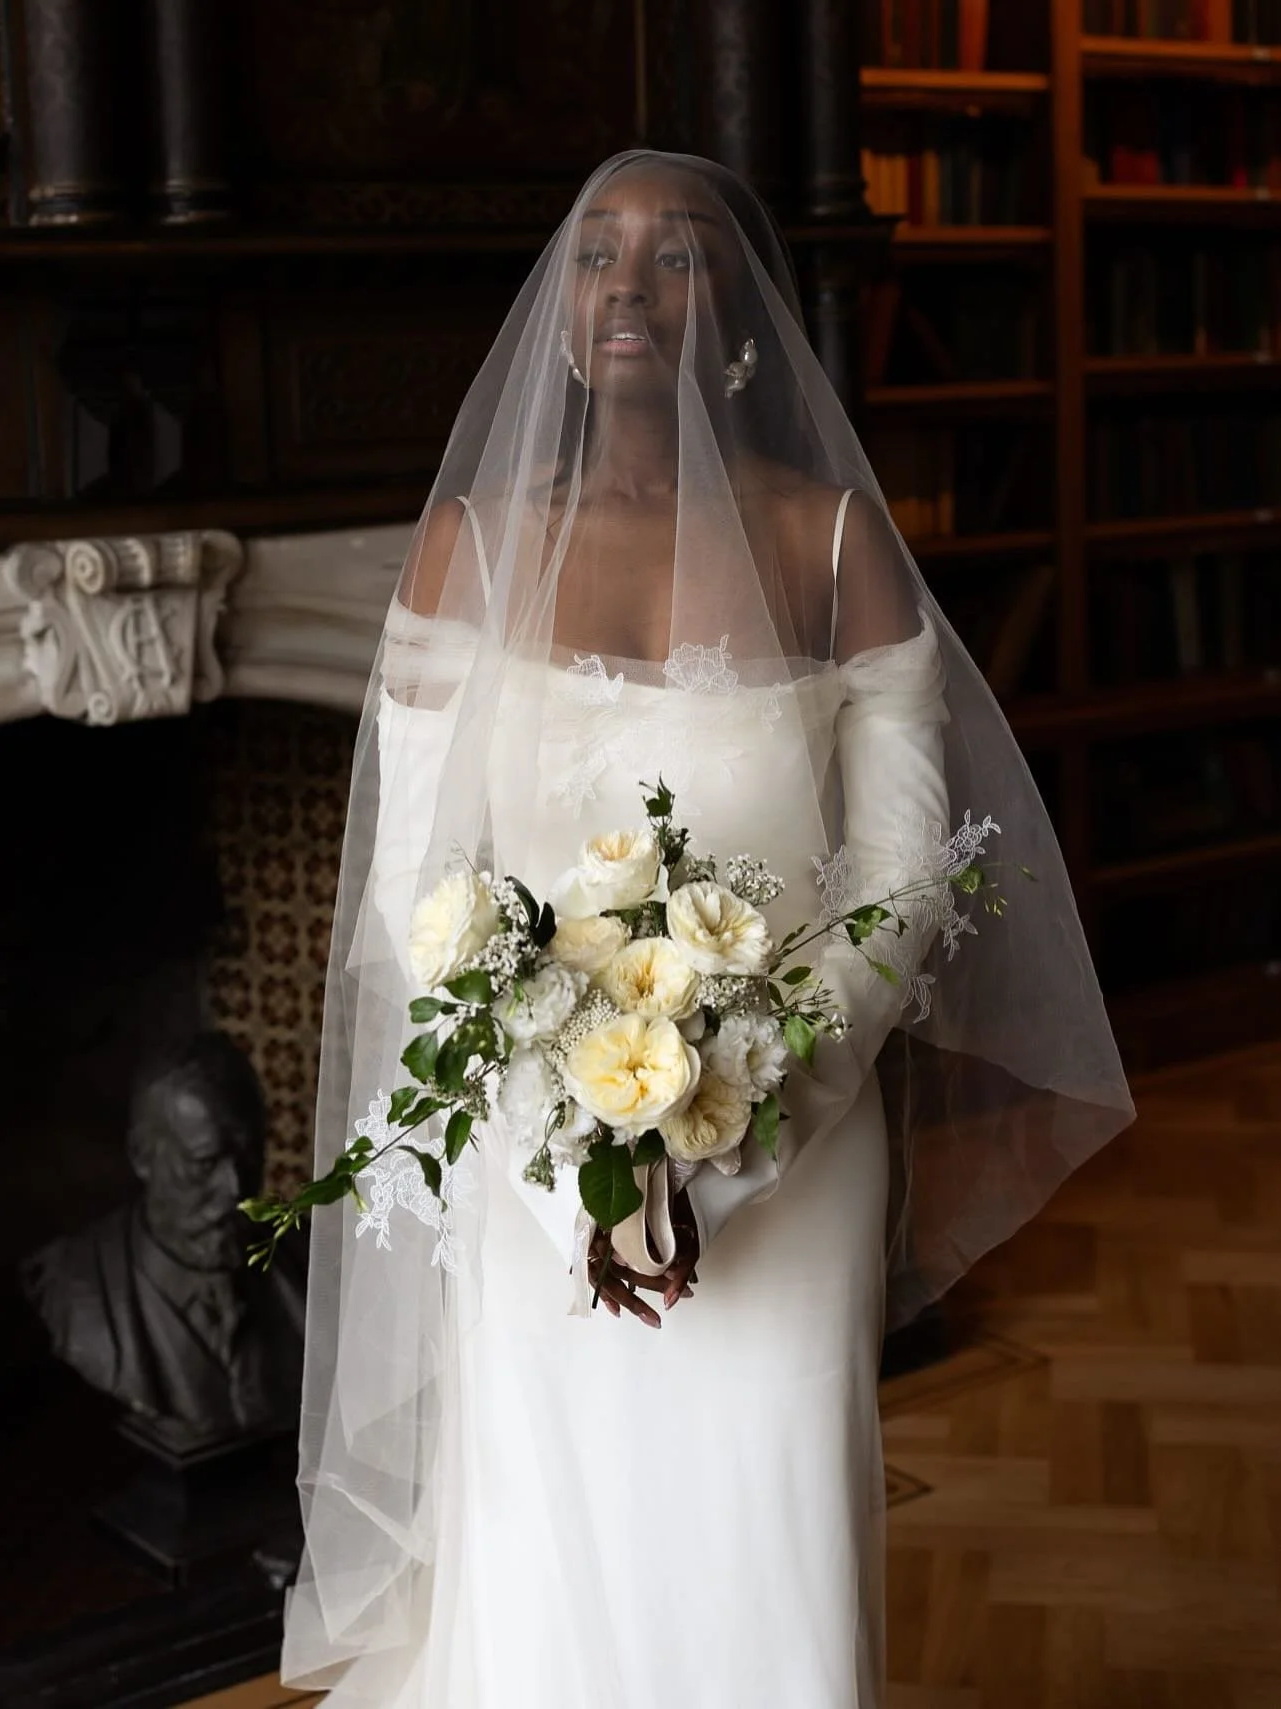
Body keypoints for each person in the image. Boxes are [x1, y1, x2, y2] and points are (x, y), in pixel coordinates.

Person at [279, 151, 1134, 1707]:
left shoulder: (833, 543)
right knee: (556, 1540)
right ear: (558, 313)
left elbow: (901, 869)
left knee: (762, 1529)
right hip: (529, 1160)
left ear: (738, 318)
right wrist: (560, 1137)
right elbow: (418, 875)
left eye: (676, 258)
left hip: (792, 1141)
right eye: (597, 255)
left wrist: (744, 1112)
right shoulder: (468, 546)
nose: (628, 285)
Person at [21, 1030, 305, 1444]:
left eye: (249, 1155)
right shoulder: (67, 1290)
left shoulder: (304, 1261)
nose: (235, 1189)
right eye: (203, 1164)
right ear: (142, 1155)